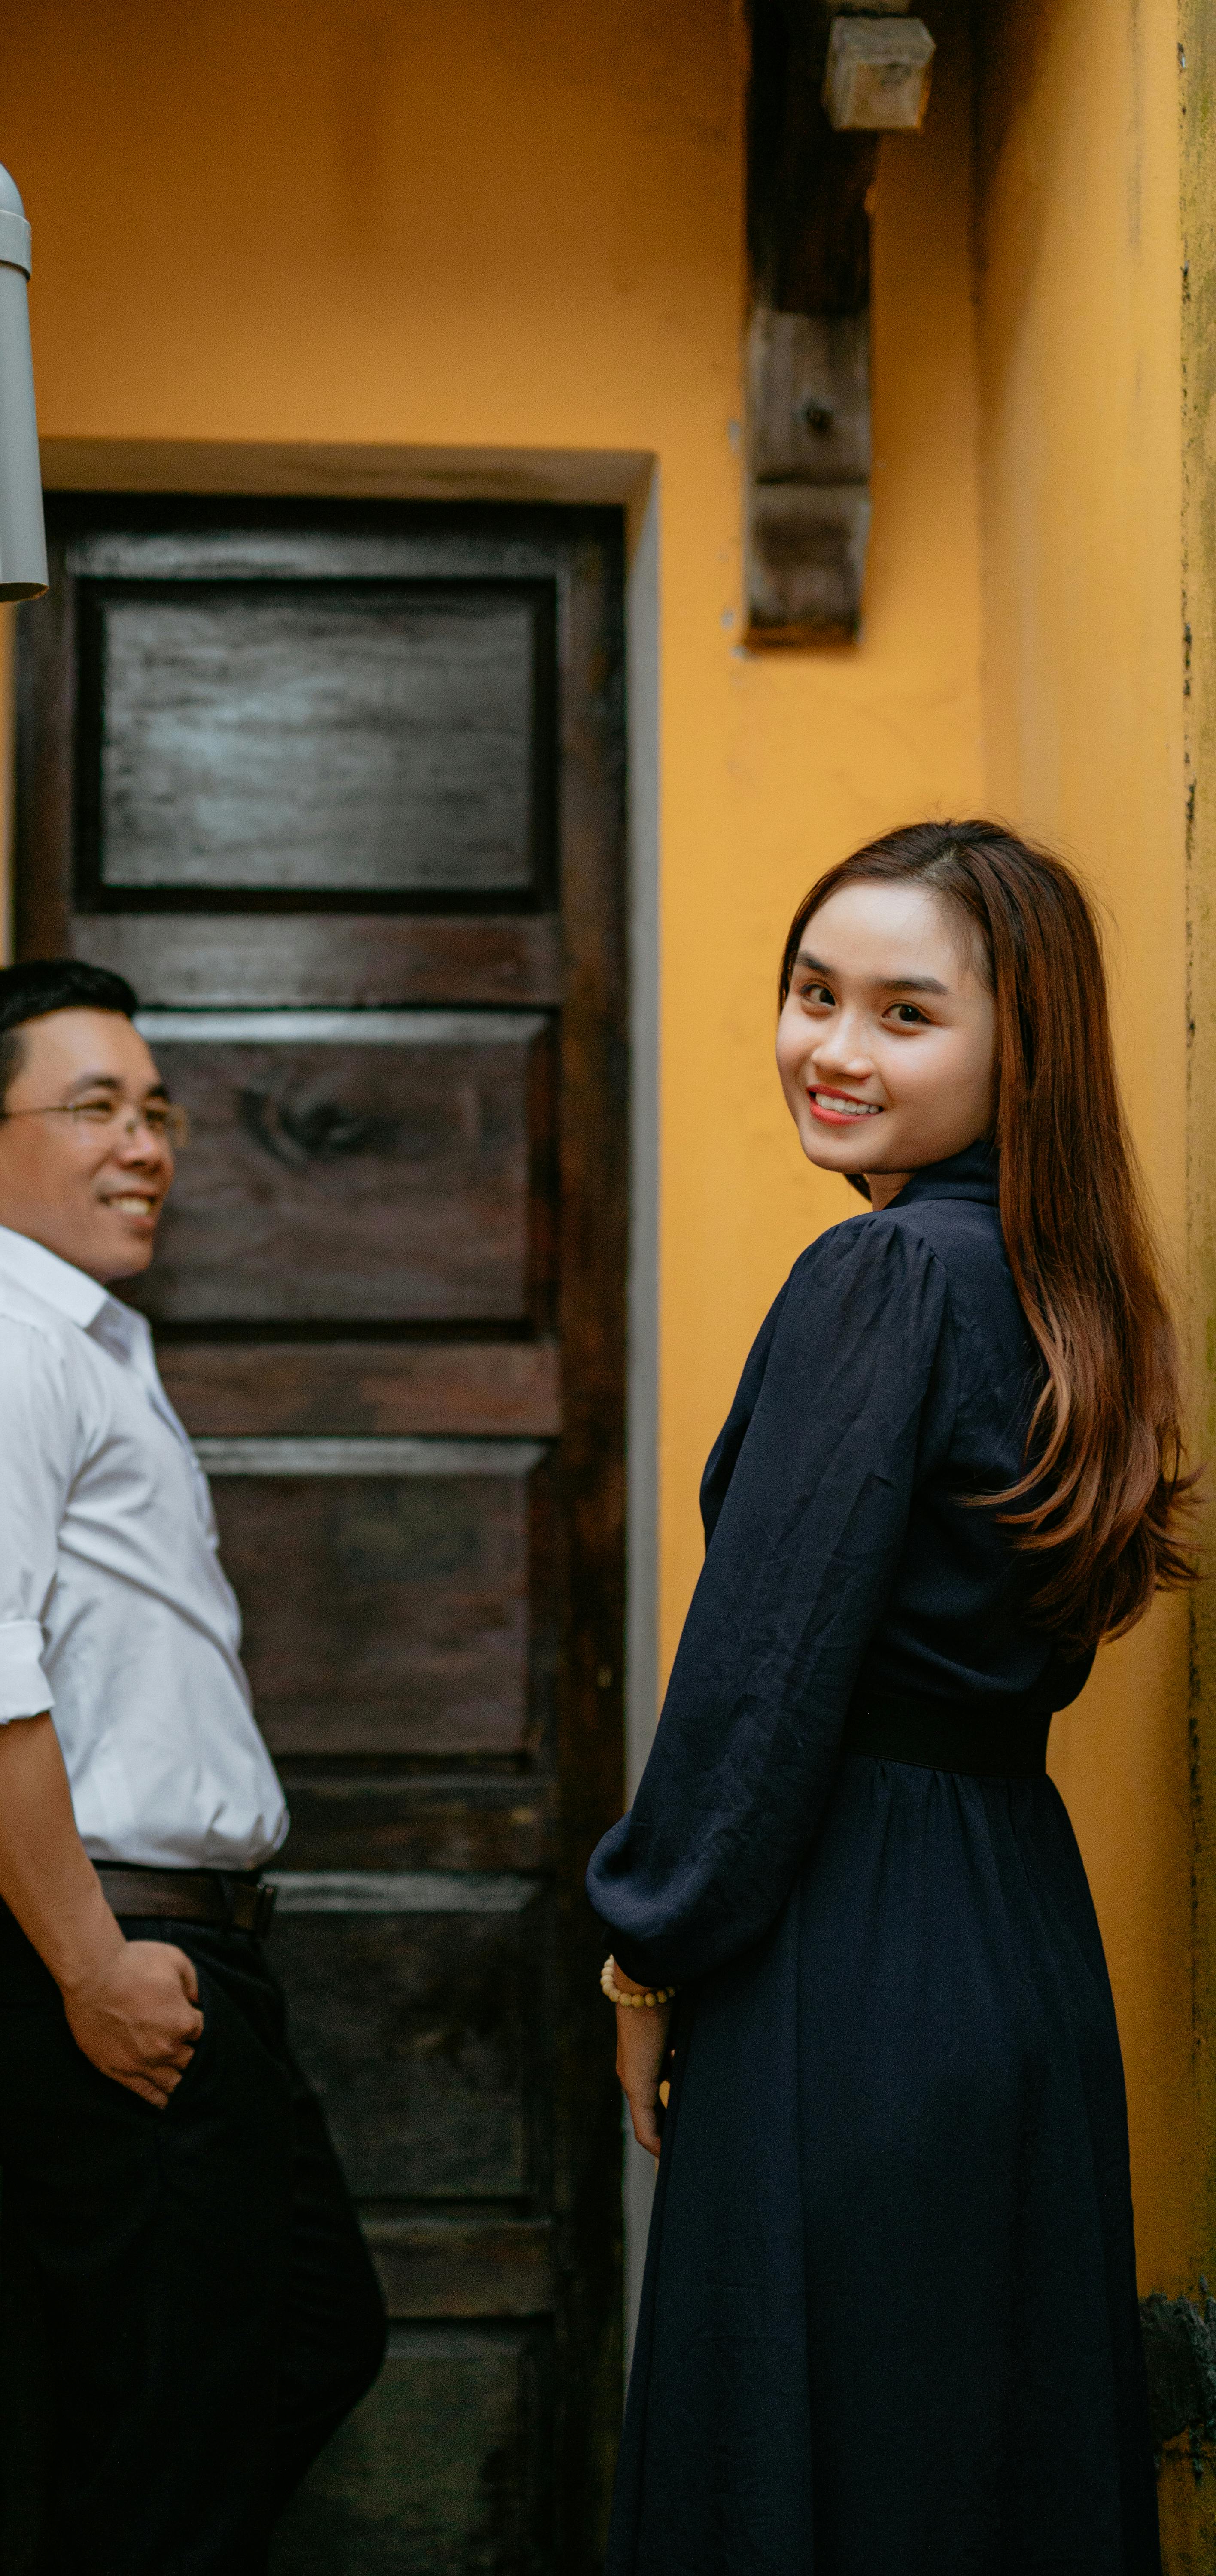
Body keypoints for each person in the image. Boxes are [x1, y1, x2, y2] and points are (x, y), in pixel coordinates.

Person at [587, 822, 1194, 2574]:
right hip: (1011, 1926)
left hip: (847, 1936)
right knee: (971, 2465)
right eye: (811, 994)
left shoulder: (879, 1276)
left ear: (1021, 1047)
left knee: (810, 2459)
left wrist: (648, 1942)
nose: (834, 1050)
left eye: (904, 1014)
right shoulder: (1058, 1284)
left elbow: (762, 1671)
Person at [0, 959, 386, 2576]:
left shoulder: (73, 1341)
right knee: (166, 2462)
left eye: (154, 1109)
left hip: (167, 1958)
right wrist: (94, 1968)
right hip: (95, 1959)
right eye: (93, 1107)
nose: (146, 1143)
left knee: (295, 2348)